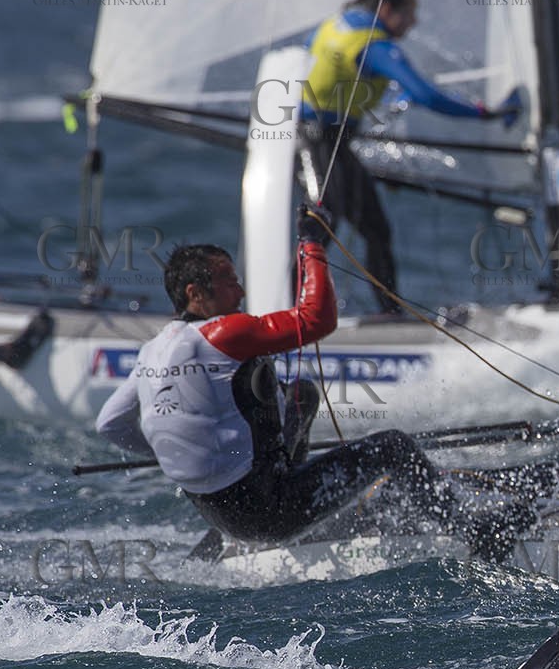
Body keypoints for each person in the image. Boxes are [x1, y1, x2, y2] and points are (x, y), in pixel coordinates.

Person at [95, 207, 525, 558]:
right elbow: (317, 319)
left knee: (299, 393)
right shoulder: (222, 333)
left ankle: (281, 489)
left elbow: (109, 424)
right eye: (229, 282)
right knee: (393, 447)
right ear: (195, 293)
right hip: (269, 512)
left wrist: (177, 453)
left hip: (220, 514)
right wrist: (311, 243)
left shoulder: (152, 350)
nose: (240, 293)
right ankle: (474, 531)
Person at [299, 0, 520, 313]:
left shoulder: (335, 25)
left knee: (369, 228)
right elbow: (425, 94)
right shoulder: (373, 45)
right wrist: (483, 113)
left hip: (314, 139)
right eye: (409, 14)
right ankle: (291, 312)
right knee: (322, 226)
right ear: (388, 9)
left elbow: (319, 69)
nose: (413, 22)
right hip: (319, 143)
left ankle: (389, 313)